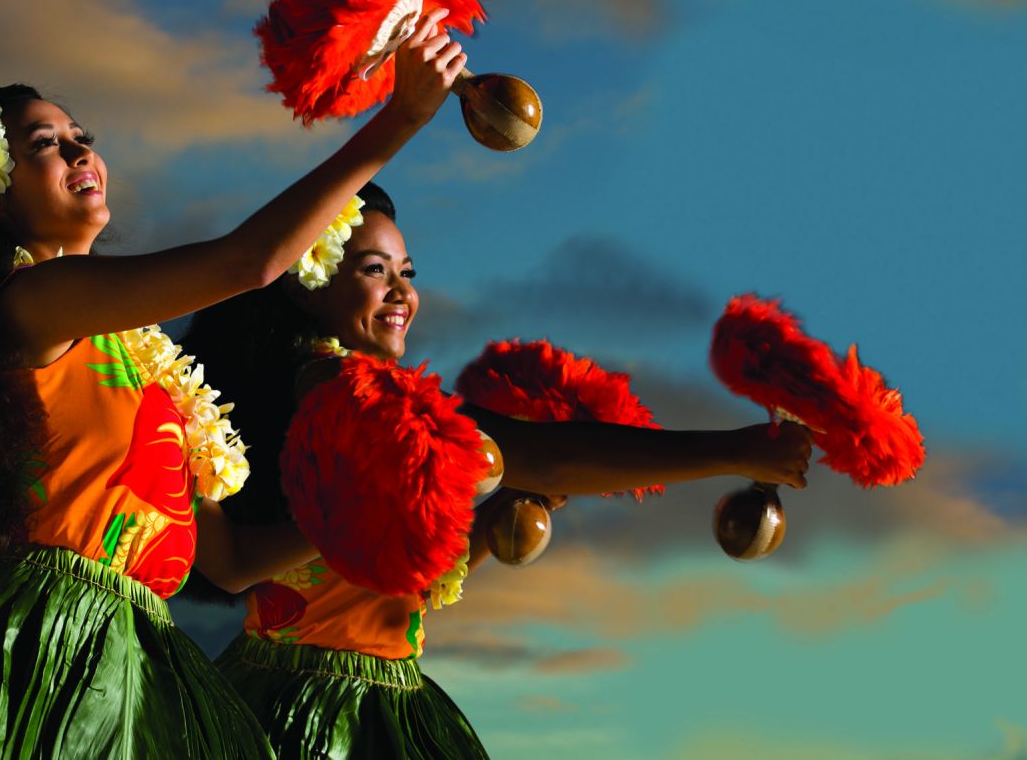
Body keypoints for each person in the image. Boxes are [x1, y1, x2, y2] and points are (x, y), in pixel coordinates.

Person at [0, 11, 467, 759]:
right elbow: (249, 261)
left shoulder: (141, 358)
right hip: (51, 644)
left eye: (82, 137)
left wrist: (377, 530)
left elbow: (227, 562)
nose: (79, 149)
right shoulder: (29, 301)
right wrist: (400, 119)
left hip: (140, 647)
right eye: (45, 144)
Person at [180, 182, 812, 759]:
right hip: (316, 717)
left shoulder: (350, 390)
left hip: (366, 689)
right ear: (304, 281)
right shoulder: (337, 385)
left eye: (407, 272)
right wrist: (735, 450)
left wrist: (490, 523)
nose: (402, 292)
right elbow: (540, 453)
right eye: (375, 271)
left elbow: (403, 594)